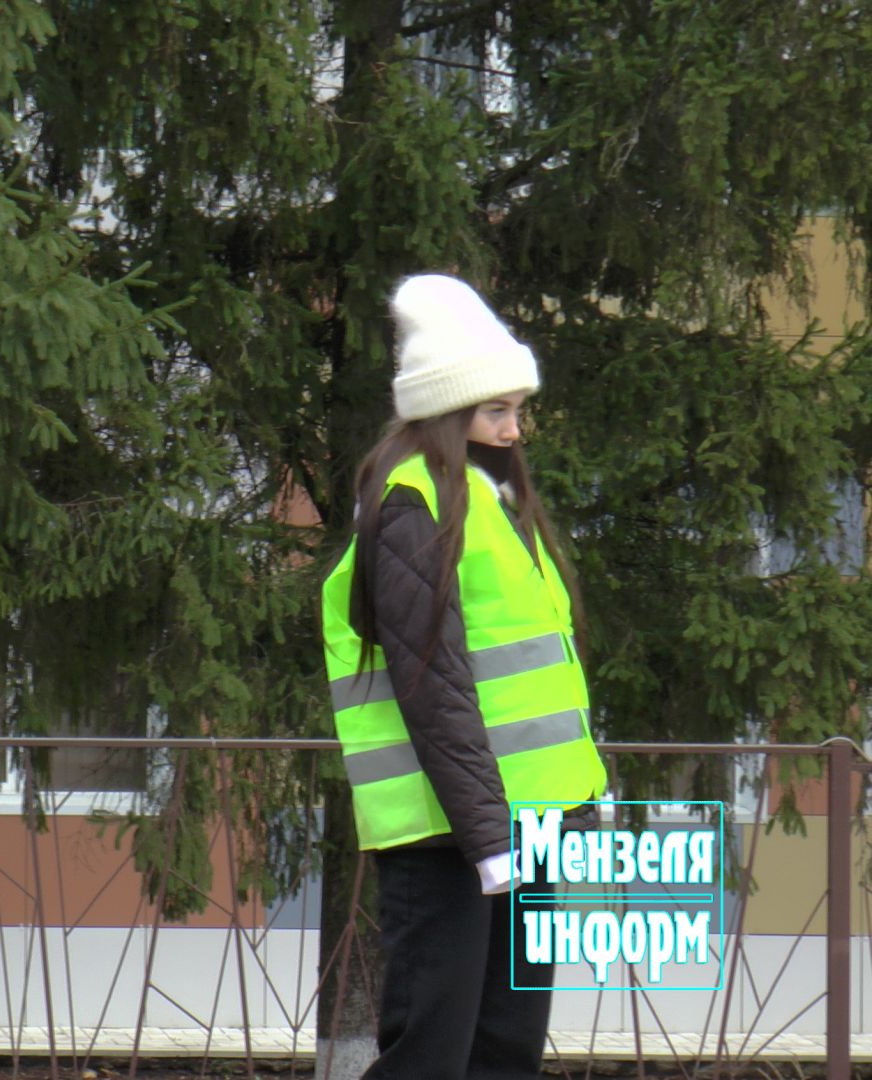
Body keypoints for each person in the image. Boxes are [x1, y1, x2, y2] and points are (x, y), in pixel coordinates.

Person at [320, 274, 608, 1080]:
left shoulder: (488, 503)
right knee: (432, 1055)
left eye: (519, 411)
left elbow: (535, 682)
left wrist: (576, 802)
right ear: (448, 413)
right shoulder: (413, 502)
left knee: (505, 1049)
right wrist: (489, 843)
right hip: (449, 834)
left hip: (518, 826)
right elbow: (433, 687)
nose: (516, 431)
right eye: (496, 412)